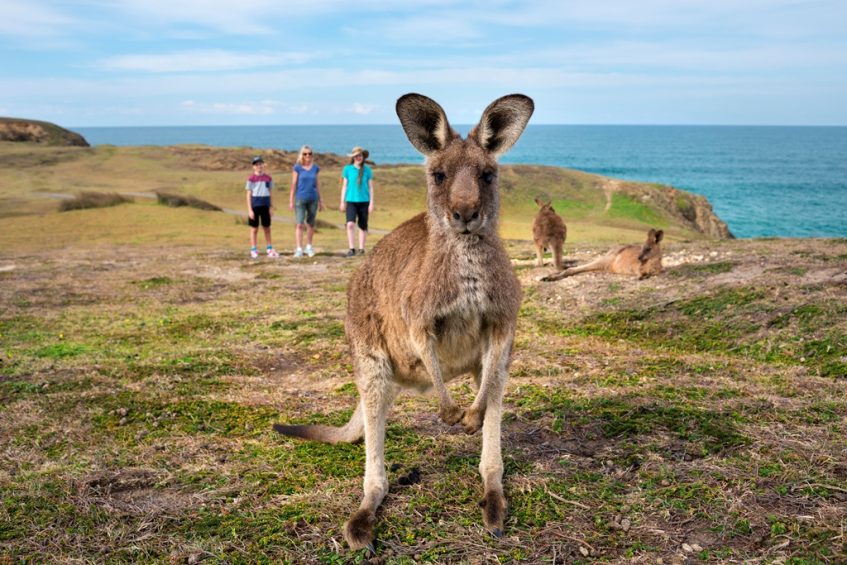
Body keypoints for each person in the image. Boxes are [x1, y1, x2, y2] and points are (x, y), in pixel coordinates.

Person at [289, 145, 324, 258]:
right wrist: (291, 200)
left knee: (311, 224)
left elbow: (317, 184)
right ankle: (299, 248)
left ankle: (309, 246)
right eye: (305, 154)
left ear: (312, 155)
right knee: (299, 224)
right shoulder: (297, 167)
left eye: (309, 153)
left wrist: (321, 200)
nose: (307, 155)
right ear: (301, 155)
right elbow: (294, 184)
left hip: (313, 199)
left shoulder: (315, 168)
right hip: (300, 199)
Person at [339, 146, 374, 257]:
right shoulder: (347, 169)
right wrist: (342, 201)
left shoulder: (368, 170)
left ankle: (361, 249)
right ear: (353, 157)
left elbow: (371, 187)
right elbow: (344, 186)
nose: (359, 157)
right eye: (357, 156)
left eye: (361, 155)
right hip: (350, 201)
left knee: (363, 226)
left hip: (364, 201)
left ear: (363, 157)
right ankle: (352, 248)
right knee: (350, 224)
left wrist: (372, 202)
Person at [245, 156, 279, 259]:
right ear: (253, 166)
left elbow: (270, 193)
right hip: (255, 205)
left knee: (267, 228)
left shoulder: (268, 178)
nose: (259, 166)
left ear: (263, 165)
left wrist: (271, 207)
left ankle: (269, 248)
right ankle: (253, 249)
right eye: (256, 164)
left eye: (260, 164)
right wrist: (250, 210)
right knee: (254, 229)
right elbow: (248, 194)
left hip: (265, 205)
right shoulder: (251, 179)